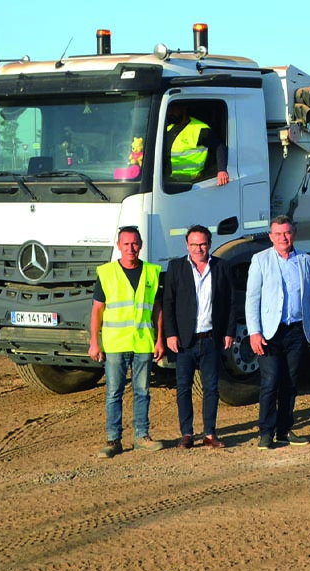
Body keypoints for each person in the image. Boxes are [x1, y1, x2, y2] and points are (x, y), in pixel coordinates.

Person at [245, 215, 310, 450]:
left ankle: (284, 430)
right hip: (269, 332)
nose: (283, 238)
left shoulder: (306, 261)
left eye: (287, 233)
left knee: (290, 382)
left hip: (297, 330)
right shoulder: (260, 260)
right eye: (278, 234)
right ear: (271, 236)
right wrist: (254, 332)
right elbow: (252, 299)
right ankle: (266, 432)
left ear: (294, 233)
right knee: (270, 381)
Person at [88, 227, 165, 458]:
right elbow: (97, 311)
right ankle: (114, 440)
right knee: (114, 393)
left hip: (142, 343)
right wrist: (95, 342)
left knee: (142, 391)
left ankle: (142, 436)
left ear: (140, 245)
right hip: (115, 344)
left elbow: (157, 310)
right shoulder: (107, 273)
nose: (131, 248)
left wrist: (159, 339)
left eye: (134, 244)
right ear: (119, 246)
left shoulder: (152, 272)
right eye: (126, 244)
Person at [163, 224, 236, 450]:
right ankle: (186, 434)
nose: (198, 248)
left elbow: (231, 302)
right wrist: (171, 334)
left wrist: (229, 331)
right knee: (183, 387)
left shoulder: (222, 267)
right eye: (194, 244)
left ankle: (210, 433)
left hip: (211, 338)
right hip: (185, 340)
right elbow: (168, 303)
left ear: (209, 244)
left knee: (211, 388)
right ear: (187, 245)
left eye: (202, 244)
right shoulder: (176, 267)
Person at [164, 103, 229, 186]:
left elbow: (219, 146)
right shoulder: (168, 129)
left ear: (184, 108)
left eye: (174, 109)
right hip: (169, 180)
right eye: (169, 109)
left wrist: (222, 170)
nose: (170, 112)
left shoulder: (199, 129)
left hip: (193, 182)